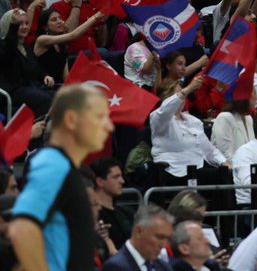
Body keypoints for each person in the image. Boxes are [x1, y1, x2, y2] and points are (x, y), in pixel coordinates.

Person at [10, 85, 114, 271]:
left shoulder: (63, 165)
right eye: (99, 117)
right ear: (71, 120)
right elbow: (21, 229)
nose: (109, 126)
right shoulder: (52, 164)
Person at [101, 205, 174, 271]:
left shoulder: (163, 266)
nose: (163, 245)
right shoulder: (115, 266)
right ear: (139, 231)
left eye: (167, 238)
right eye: (159, 237)